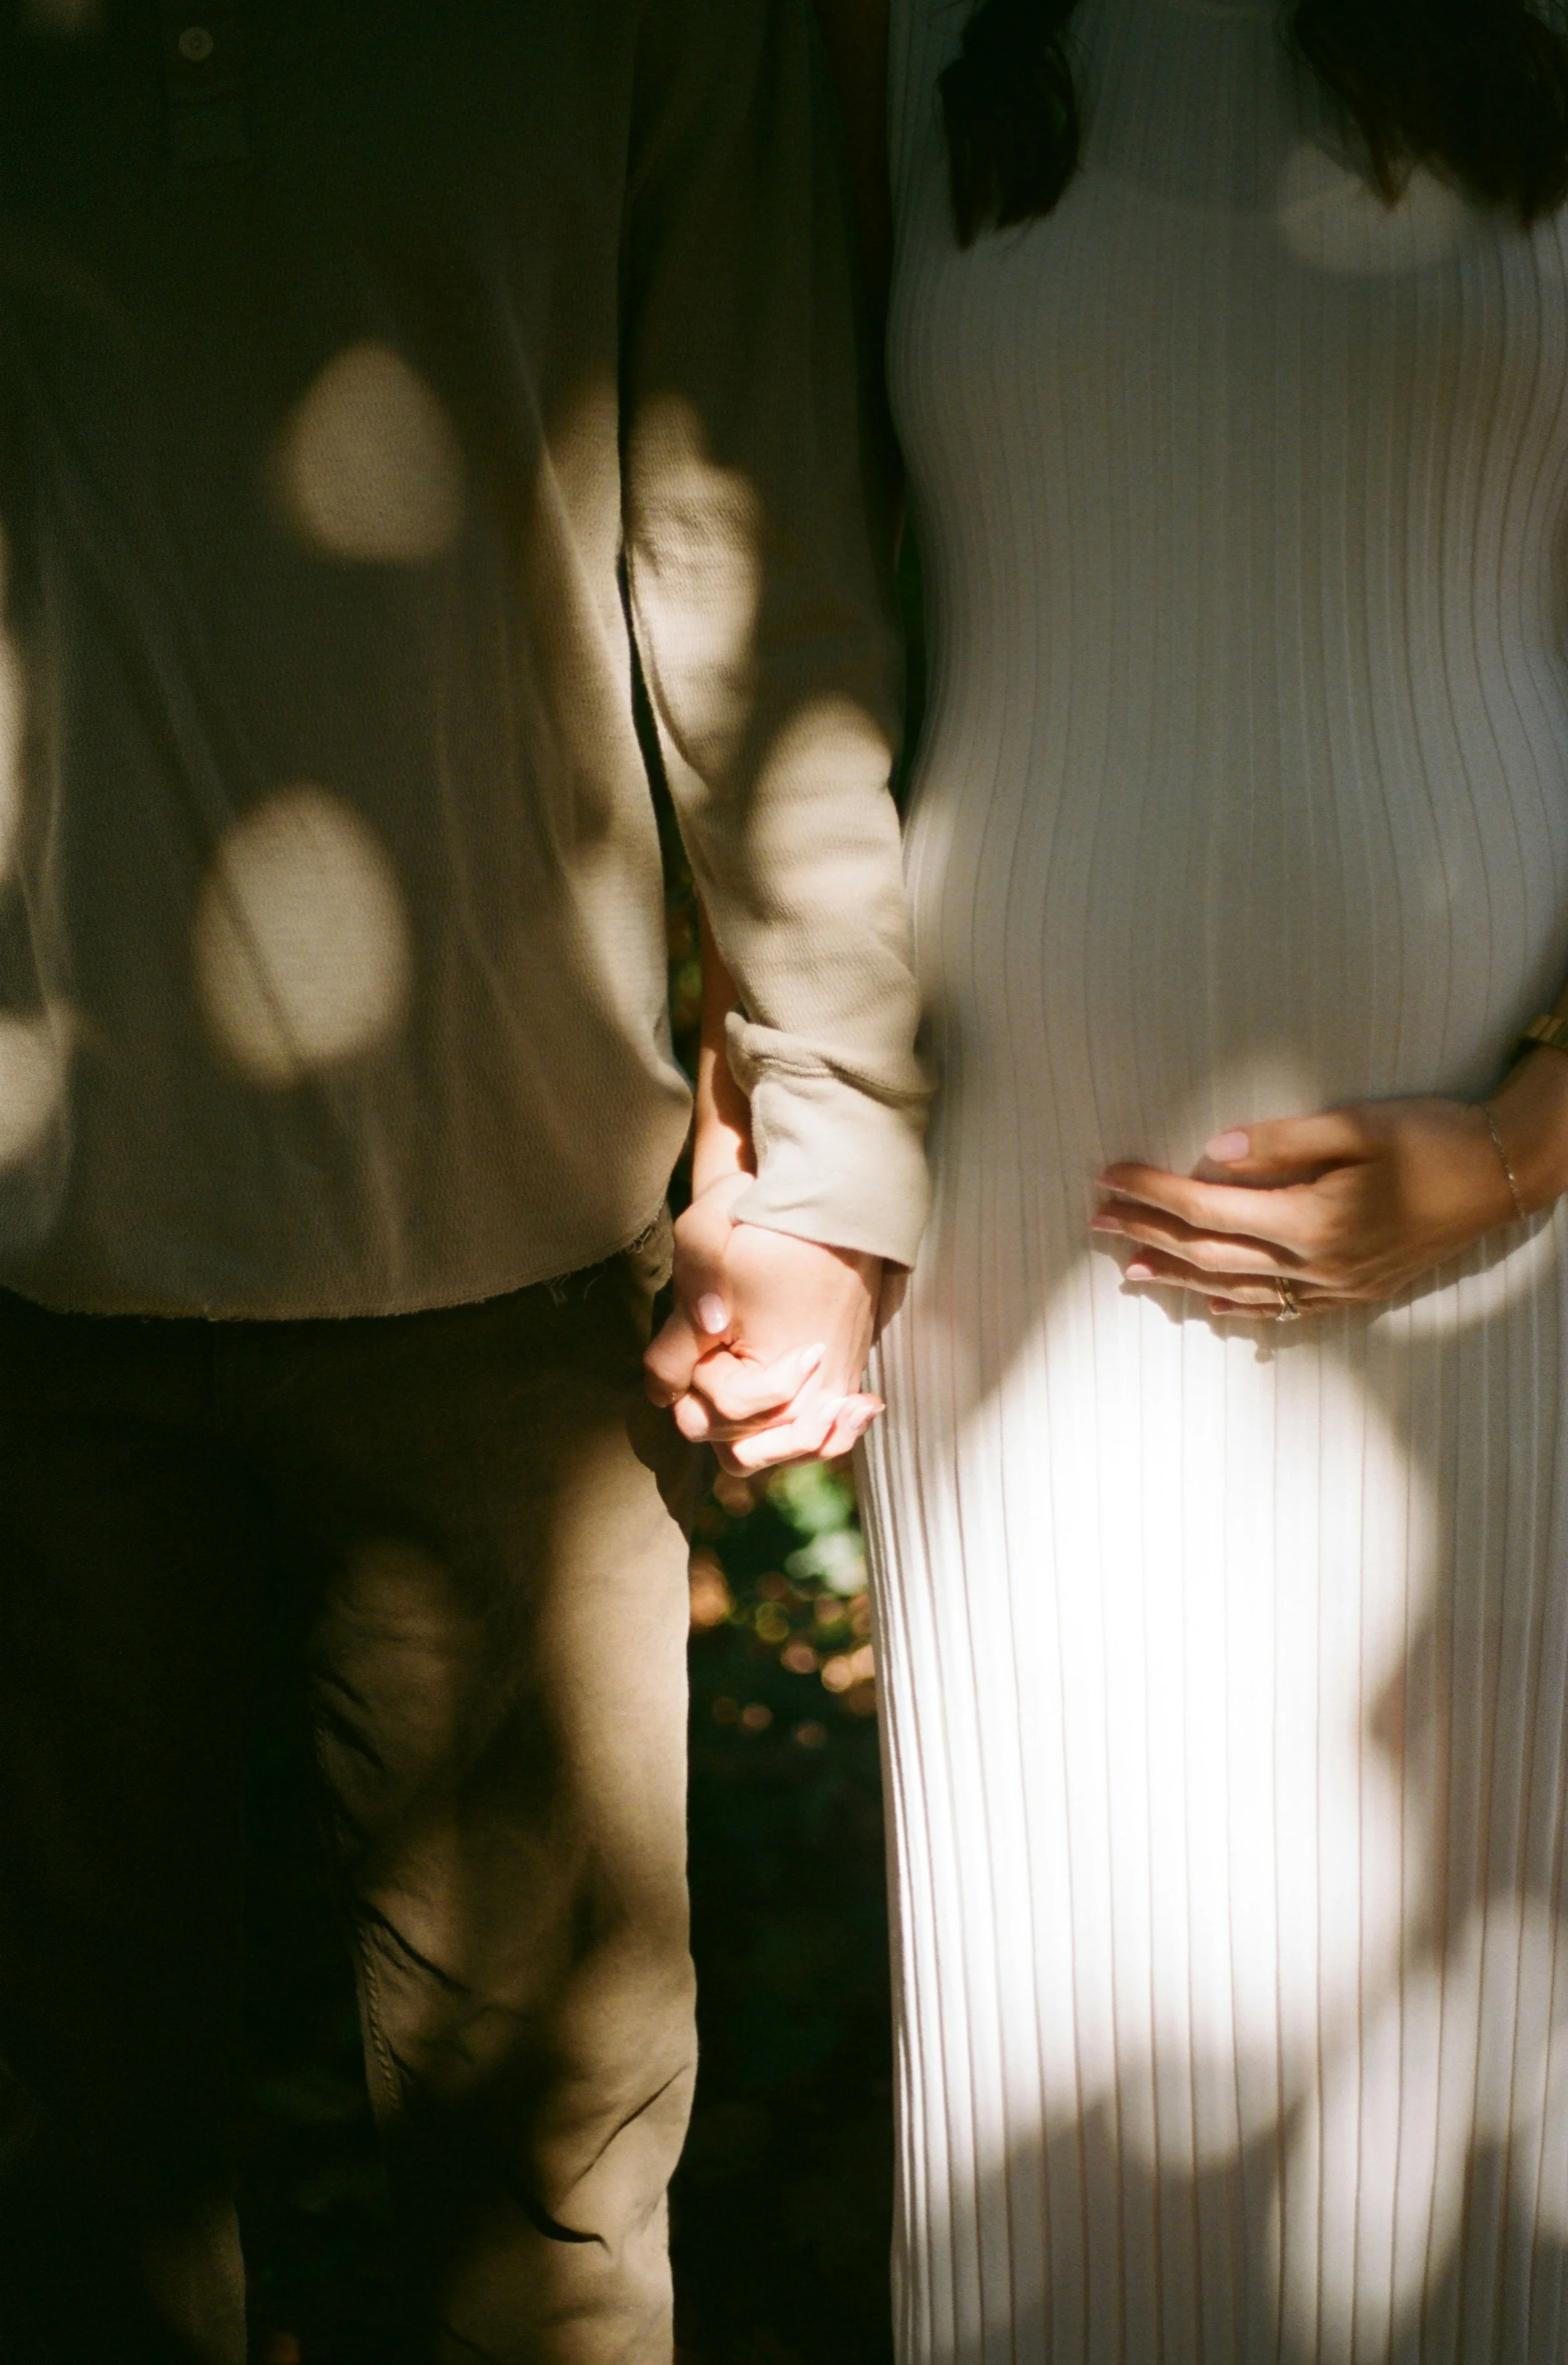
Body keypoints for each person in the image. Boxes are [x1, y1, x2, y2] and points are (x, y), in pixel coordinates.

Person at [0, 0, 930, 2357]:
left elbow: (743, 551)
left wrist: (824, 1144)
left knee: (544, 2200)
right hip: (20, 1277)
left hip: (504, 1258)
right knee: (62, 2183)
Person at [667, 0, 1568, 2354]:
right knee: (1056, 2067)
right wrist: (777, 1163)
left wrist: (1518, 1142)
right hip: (1016, 1253)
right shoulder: (900, 32)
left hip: (1505, 1285)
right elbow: (777, 621)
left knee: (1436, 2102)